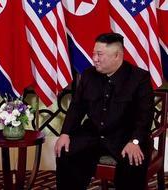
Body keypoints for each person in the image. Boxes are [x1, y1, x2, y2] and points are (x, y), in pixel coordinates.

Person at [54, 32, 154, 190]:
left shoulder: (139, 78)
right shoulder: (88, 75)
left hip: (125, 136)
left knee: (133, 161)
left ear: (117, 56)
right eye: (94, 53)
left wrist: (135, 141)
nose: (94, 58)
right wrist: (65, 133)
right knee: (65, 152)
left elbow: (145, 115)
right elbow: (77, 107)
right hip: (93, 134)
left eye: (99, 54)